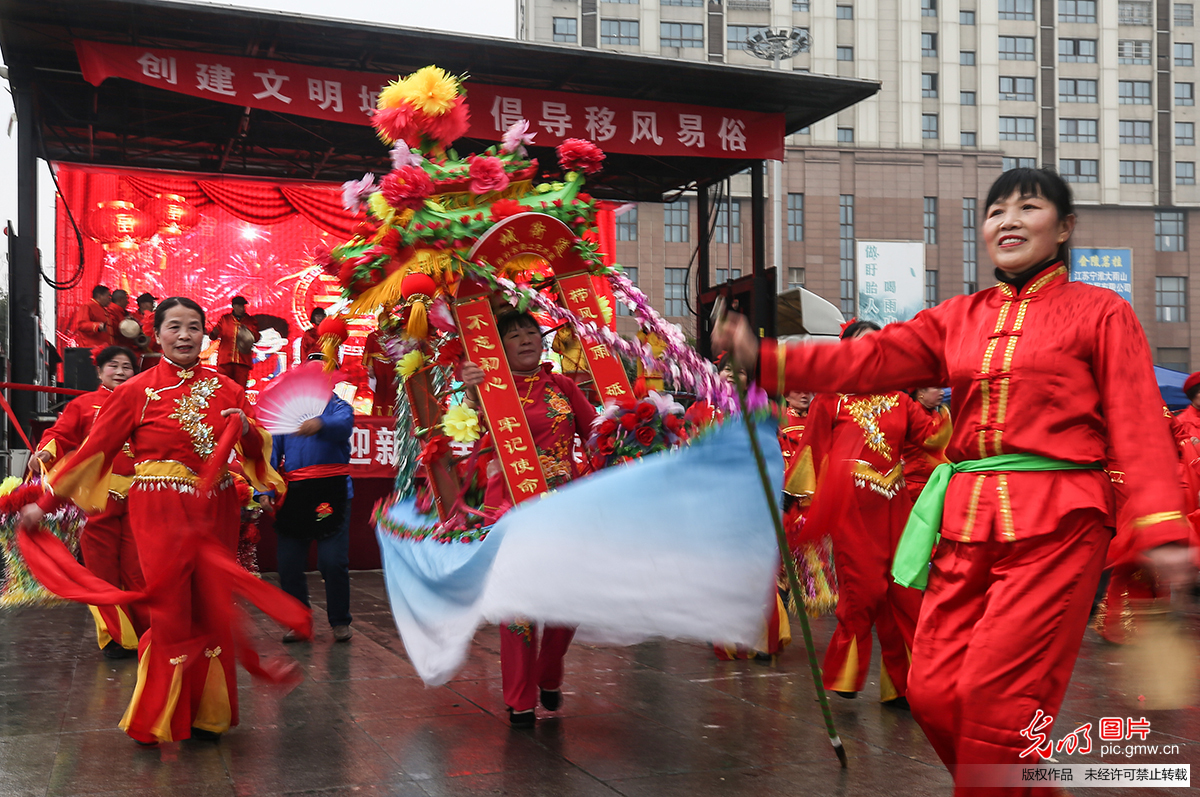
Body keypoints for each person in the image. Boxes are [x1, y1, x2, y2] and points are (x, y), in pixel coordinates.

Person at [715, 167, 1194, 796]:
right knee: (934, 694)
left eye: (1030, 208)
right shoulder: (958, 318)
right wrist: (766, 356)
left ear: (1066, 228)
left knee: (998, 708)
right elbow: (869, 358)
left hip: (1059, 524)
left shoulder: (1101, 312)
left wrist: (1161, 523)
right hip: (966, 523)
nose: (1010, 221)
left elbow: (1136, 417)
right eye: (997, 212)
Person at [18, 296, 307, 746]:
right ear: (158, 334)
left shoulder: (229, 389)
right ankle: (160, 716)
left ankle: (207, 715)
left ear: (205, 336)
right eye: (175, 326)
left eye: (194, 327)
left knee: (210, 604)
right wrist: (46, 500)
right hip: (158, 508)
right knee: (172, 607)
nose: (185, 335)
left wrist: (248, 430)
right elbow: (96, 450)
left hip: (214, 506)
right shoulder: (135, 391)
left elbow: (252, 448)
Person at [788, 321, 944, 706]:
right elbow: (811, 452)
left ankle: (904, 684)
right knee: (865, 590)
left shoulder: (900, 400)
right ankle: (846, 674)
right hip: (851, 510)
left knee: (903, 592)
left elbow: (934, 437)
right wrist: (800, 504)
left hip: (895, 507)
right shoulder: (832, 400)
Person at [460, 311, 597, 727]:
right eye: (514, 334)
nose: (525, 339)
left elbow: (597, 432)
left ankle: (549, 672)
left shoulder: (563, 386)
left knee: (565, 602)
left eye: (531, 332)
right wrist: (470, 394)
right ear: (499, 347)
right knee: (516, 609)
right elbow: (464, 436)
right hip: (509, 511)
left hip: (561, 510)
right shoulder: (487, 387)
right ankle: (519, 699)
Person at [29, 345, 147, 658]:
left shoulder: (145, 402)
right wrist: (46, 452)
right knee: (101, 571)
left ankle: (146, 634)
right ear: (99, 371)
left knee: (139, 569)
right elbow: (59, 435)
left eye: (127, 367)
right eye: (114, 366)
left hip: (140, 496)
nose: (121, 372)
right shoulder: (83, 405)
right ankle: (115, 638)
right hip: (97, 499)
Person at [268, 351, 355, 644]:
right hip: (295, 494)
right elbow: (270, 455)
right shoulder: (286, 412)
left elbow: (342, 426)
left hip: (332, 493)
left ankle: (340, 621)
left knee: (332, 561)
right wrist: (264, 490)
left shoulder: (339, 408)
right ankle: (298, 622)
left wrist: (321, 424)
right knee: (289, 563)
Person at [902, 387, 953, 502]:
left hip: (933, 482)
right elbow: (932, 438)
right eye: (936, 388)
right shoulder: (911, 413)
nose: (942, 392)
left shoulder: (936, 414)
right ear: (920, 393)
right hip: (915, 486)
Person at [211, 296, 260, 388]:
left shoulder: (251, 321)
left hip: (243, 361)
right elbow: (213, 336)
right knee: (224, 388)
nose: (242, 308)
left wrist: (248, 335)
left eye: (243, 306)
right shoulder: (225, 319)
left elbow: (256, 338)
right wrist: (214, 332)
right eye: (239, 306)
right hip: (225, 360)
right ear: (233, 306)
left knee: (240, 389)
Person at [362, 312, 398, 416]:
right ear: (379, 322)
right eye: (383, 320)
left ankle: (392, 416)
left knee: (392, 392)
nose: (386, 323)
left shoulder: (395, 336)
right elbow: (368, 353)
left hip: (392, 367)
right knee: (379, 392)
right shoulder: (373, 336)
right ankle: (378, 417)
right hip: (378, 367)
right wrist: (370, 368)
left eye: (387, 320)